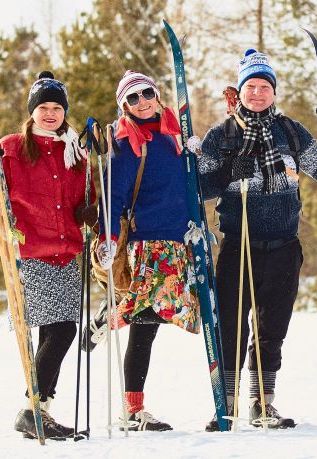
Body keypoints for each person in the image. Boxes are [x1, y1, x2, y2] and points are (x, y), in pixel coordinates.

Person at [197, 49, 317, 430]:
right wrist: (225, 174)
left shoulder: (290, 131)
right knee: (232, 327)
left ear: (274, 91)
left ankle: (262, 403)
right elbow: (199, 187)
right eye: (250, 86)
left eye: (264, 86)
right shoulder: (222, 136)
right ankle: (228, 403)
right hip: (239, 244)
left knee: (272, 331)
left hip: (284, 246)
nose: (257, 93)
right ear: (240, 91)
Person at [0, 71, 96, 440]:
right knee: (62, 330)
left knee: (52, 333)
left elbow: (82, 199)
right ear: (32, 111)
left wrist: (86, 213)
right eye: (44, 107)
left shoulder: (75, 151)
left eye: (57, 108)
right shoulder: (10, 148)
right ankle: (33, 408)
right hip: (29, 252)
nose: (51, 114)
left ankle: (39, 410)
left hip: (64, 253)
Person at [88, 70, 201, 431]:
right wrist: (106, 235)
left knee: (155, 317)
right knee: (146, 317)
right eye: (132, 98)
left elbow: (188, 187)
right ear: (124, 105)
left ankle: (112, 316)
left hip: (177, 240)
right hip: (145, 242)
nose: (142, 102)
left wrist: (197, 158)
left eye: (146, 93)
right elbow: (114, 195)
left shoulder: (174, 135)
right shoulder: (124, 143)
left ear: (157, 93)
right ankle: (131, 408)